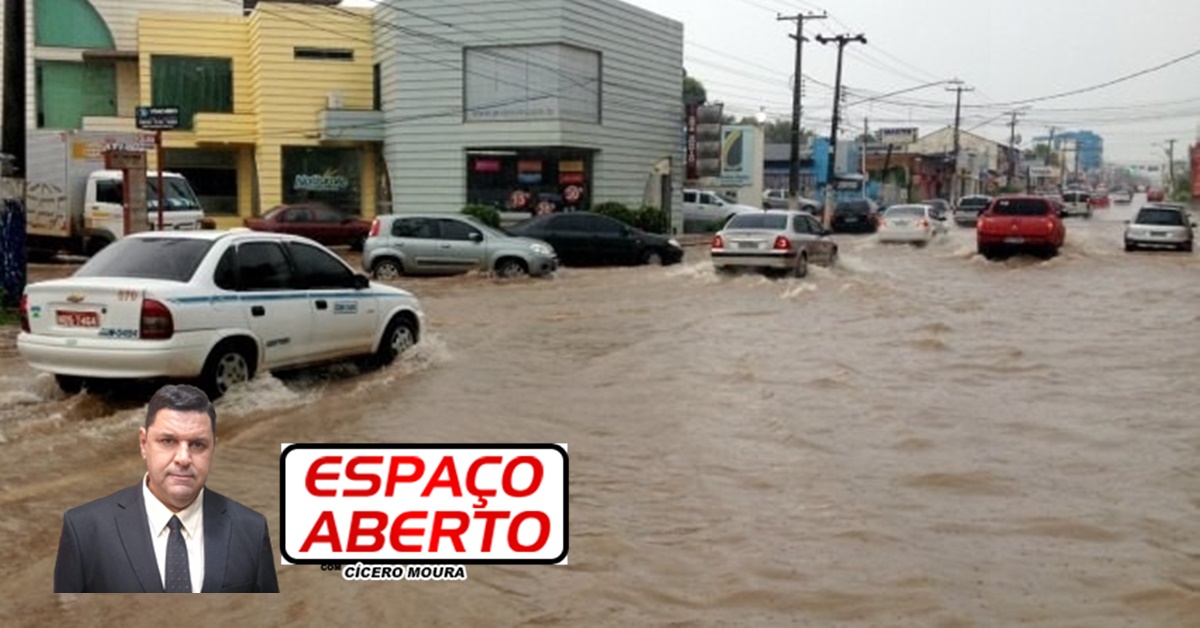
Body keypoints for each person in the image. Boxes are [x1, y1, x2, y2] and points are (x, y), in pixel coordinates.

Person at [53, 384, 279, 593]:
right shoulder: (84, 530)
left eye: (197, 444)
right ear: (143, 443)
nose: (183, 458)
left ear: (213, 447)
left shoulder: (251, 529)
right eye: (168, 441)